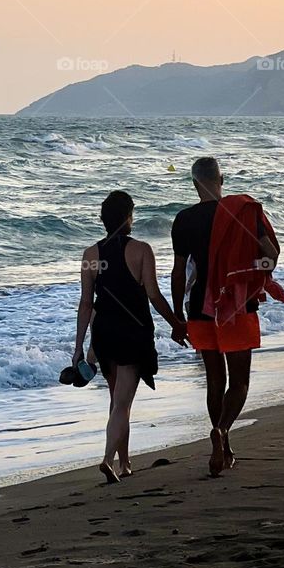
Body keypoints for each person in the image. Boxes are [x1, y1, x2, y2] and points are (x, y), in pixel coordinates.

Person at [172, 156, 282, 477]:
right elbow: (271, 255)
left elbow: (178, 273)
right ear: (222, 179)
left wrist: (178, 314)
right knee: (240, 382)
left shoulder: (183, 219)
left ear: (195, 184)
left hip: (199, 309)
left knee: (215, 380)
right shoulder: (244, 211)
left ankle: (225, 445)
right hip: (235, 305)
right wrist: (255, 271)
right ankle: (221, 431)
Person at [73, 191, 188, 484]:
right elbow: (153, 295)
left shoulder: (90, 255)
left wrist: (78, 348)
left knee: (117, 401)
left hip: (104, 334)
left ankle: (124, 462)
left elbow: (86, 304)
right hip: (132, 332)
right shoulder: (142, 250)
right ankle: (107, 460)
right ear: (128, 217)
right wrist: (176, 322)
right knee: (122, 403)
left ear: (103, 220)